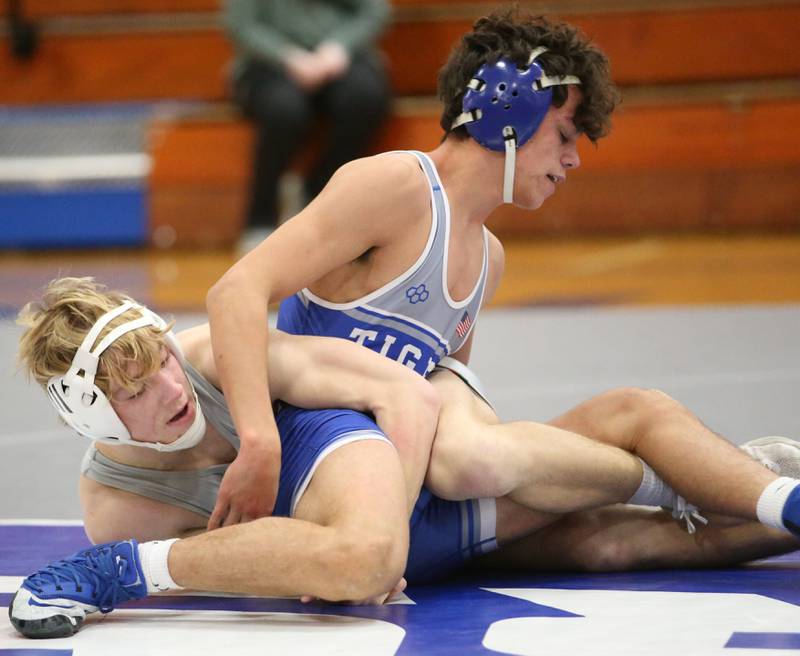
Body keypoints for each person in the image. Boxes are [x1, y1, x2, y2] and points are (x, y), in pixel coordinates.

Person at [203, 9, 800, 541]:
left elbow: (448, 398)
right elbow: (236, 290)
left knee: (628, 434)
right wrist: (258, 442)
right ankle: (689, 484)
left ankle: (767, 495)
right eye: (565, 135)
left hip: (419, 489)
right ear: (507, 110)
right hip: (329, 464)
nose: (572, 160)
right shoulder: (394, 188)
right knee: (474, 459)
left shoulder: (489, 258)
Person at [9, 278, 800, 639]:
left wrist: (380, 531)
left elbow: (409, 397)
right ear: (92, 413)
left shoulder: (218, 358)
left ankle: (690, 477)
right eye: (138, 389)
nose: (170, 385)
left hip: (390, 448)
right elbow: (253, 565)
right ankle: (749, 489)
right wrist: (343, 555)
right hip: (399, 538)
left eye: (161, 361)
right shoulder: (118, 503)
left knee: (476, 461)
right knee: (611, 542)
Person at [224, 0, 391, 236]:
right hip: (267, 64)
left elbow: (373, 12)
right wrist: (286, 57)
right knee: (284, 110)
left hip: (342, 58)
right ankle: (261, 216)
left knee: (364, 98)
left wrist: (340, 46)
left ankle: (317, 192)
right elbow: (242, 25)